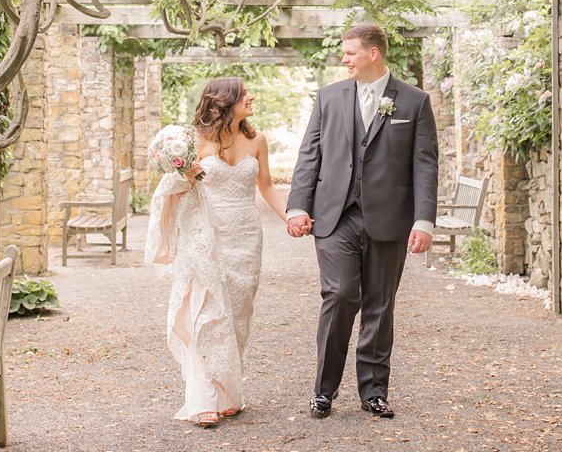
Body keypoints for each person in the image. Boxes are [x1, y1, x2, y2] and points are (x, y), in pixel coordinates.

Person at [287, 23, 438, 420]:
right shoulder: (329, 97)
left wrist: (424, 220)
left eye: (351, 52)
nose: (344, 58)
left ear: (374, 53)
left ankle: (374, 391)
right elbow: (309, 155)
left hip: (390, 218)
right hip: (336, 216)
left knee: (380, 303)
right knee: (339, 295)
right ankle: (323, 390)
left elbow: (425, 165)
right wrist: (297, 206)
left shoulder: (414, 101)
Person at [145, 77, 293, 427]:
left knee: (238, 313)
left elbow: (267, 185)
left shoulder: (257, 140)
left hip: (245, 236)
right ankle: (202, 399)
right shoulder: (193, 141)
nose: (252, 96)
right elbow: (178, 190)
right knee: (205, 311)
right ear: (225, 102)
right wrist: (186, 176)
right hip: (206, 235)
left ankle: (227, 393)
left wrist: (291, 219)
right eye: (245, 94)